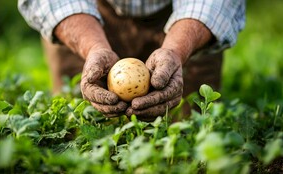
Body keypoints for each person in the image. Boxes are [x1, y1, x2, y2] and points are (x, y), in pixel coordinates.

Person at [18, 0, 245, 121]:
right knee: (77, 123)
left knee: (191, 125)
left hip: (182, 18)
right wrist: (93, 47)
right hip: (86, 16)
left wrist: (176, 50)